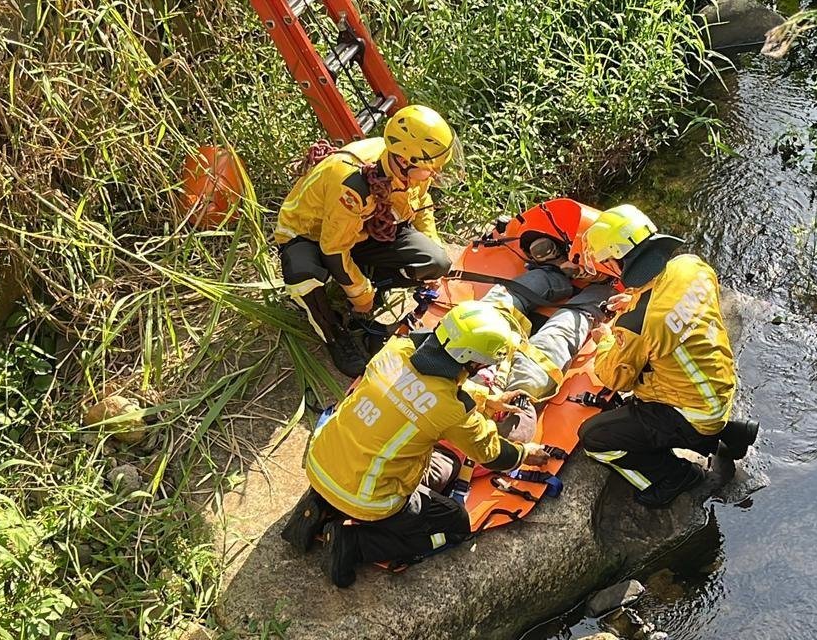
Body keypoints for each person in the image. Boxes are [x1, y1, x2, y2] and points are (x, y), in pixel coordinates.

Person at [280, 300, 551, 587]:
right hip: (369, 499)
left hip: (321, 461)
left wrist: (485, 398)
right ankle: (353, 543)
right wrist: (523, 453)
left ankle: (316, 507)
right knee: (455, 523)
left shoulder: (396, 349)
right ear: (472, 360)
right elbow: (491, 454)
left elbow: (425, 378)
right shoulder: (452, 411)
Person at [576, 205, 759, 508]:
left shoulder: (638, 324)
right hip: (719, 385)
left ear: (619, 258)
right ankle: (727, 434)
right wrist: (634, 300)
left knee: (594, 439)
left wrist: (606, 339)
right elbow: (666, 298)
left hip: (689, 411)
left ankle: (676, 476)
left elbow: (613, 375)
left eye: (608, 260)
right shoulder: (691, 266)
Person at [275, 105, 460, 377]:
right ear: (404, 161)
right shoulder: (352, 185)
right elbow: (333, 248)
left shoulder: (409, 166)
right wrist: (361, 293)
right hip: (311, 236)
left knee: (435, 262)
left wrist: (433, 241)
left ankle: (367, 282)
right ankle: (334, 333)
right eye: (429, 170)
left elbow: (422, 204)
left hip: (360, 230)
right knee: (304, 274)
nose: (433, 175)